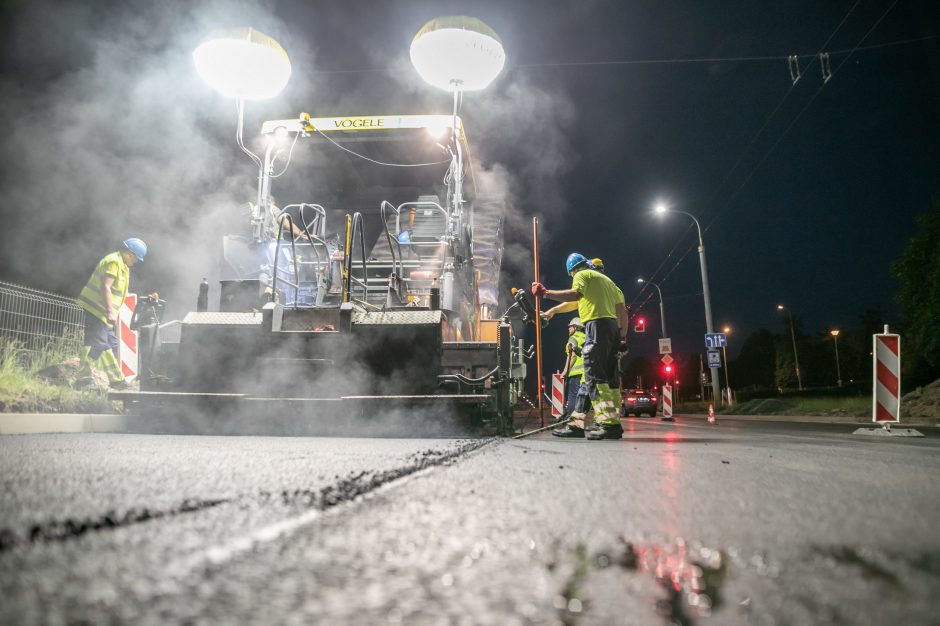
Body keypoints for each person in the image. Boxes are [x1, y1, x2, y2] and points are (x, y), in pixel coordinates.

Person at [533, 252, 629, 439]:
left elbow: (575, 294)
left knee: (594, 377)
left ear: (573, 270)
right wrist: (622, 337)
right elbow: (621, 312)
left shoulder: (582, 275)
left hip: (596, 326)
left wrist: (546, 294)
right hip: (612, 329)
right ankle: (587, 423)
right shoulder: (610, 284)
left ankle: (608, 425)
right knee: (608, 379)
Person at [76, 238, 147, 389]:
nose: (135, 262)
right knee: (95, 344)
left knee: (109, 344)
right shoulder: (114, 262)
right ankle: (82, 380)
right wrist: (110, 311)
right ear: (129, 254)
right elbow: (105, 287)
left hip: (103, 311)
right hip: (97, 308)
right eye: (136, 259)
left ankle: (116, 380)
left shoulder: (123, 266)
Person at [559, 317, 591, 420]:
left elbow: (572, 355)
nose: (568, 329)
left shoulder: (573, 338)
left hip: (575, 373)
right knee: (582, 397)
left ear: (575, 327)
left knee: (573, 397)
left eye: (570, 327)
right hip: (586, 373)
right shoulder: (586, 337)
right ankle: (577, 417)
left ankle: (569, 418)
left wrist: (565, 371)